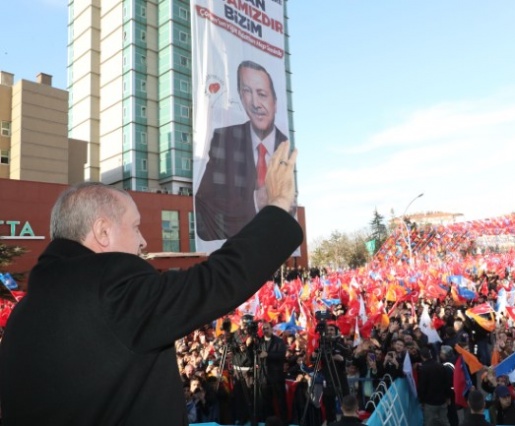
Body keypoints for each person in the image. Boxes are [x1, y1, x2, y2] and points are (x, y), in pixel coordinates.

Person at [0, 141, 302, 425]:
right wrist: (277, 205)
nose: (143, 241)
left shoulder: (22, 315)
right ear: (103, 232)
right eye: (135, 226)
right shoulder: (112, 294)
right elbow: (216, 281)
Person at [195, 60, 289, 241]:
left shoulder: (285, 146)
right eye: (247, 92)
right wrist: (255, 201)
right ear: (240, 96)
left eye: (262, 94)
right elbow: (204, 207)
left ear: (275, 102)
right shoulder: (224, 140)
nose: (255, 103)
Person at [258, 321, 288, 422]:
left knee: (280, 400)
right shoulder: (259, 341)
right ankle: (268, 421)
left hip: (277, 376)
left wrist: (268, 355)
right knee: (266, 401)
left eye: (267, 328)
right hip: (264, 376)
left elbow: (281, 355)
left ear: (271, 329)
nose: (265, 330)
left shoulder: (279, 341)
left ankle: (283, 421)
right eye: (264, 329)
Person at [418, 346, 453, 426]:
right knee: (445, 421)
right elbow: (447, 383)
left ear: (422, 356)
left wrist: (421, 400)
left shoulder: (424, 369)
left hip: (430, 402)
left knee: (429, 422)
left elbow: (422, 386)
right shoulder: (440, 366)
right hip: (442, 400)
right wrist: (448, 396)